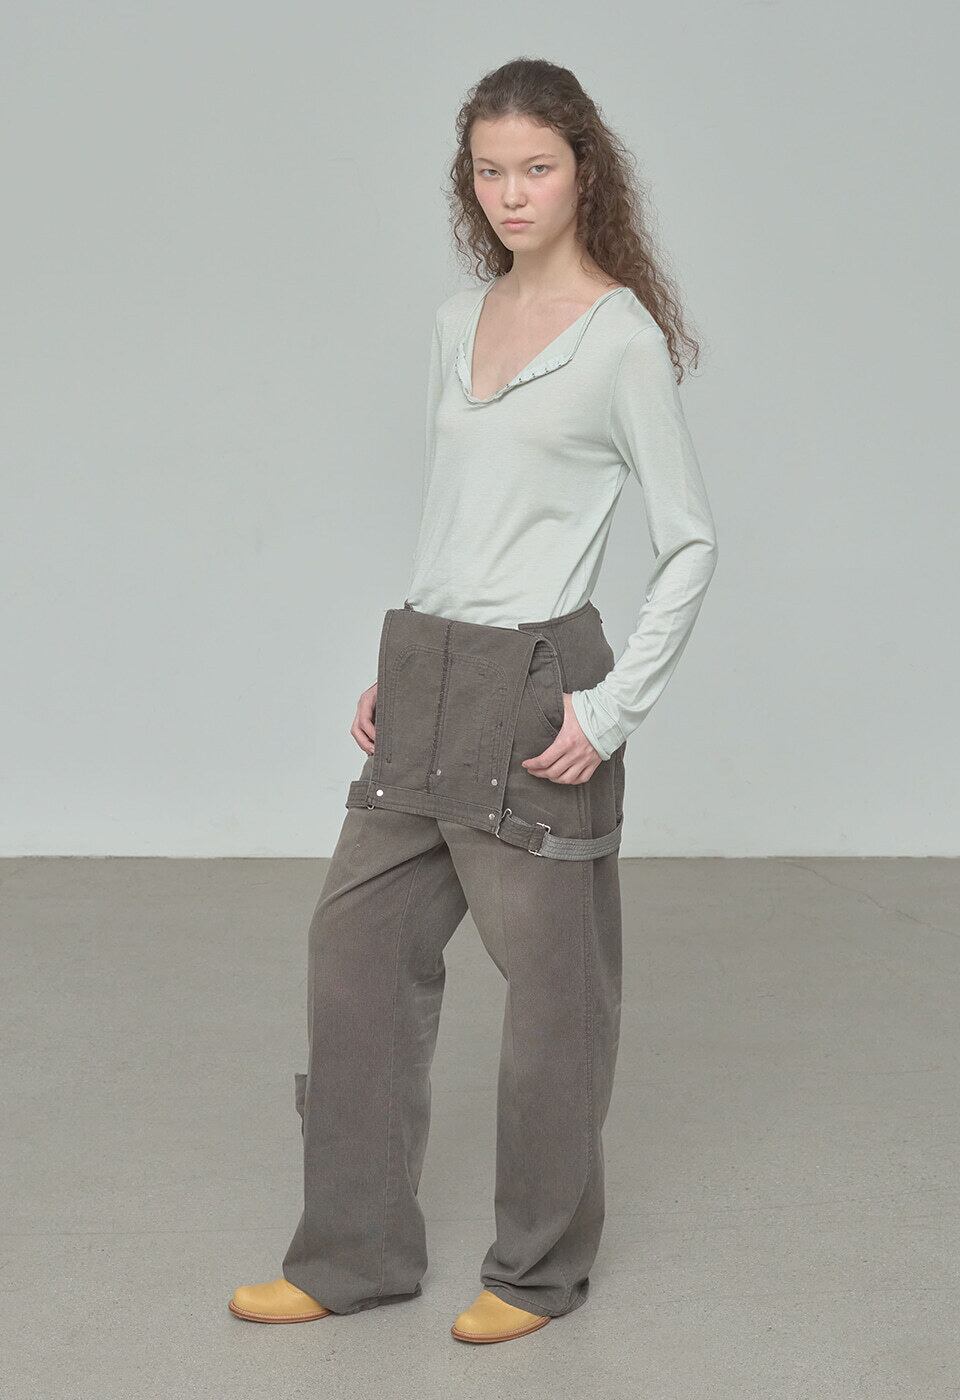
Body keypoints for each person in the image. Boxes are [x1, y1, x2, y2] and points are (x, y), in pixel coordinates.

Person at [229, 56, 718, 1343]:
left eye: (536, 168)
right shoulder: (459, 320)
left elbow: (692, 540)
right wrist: (402, 661)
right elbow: (459, 514)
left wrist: (610, 710)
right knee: (354, 949)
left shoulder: (620, 341)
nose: (512, 193)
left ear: (584, 173)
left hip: (541, 685)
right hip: (431, 668)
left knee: (556, 993)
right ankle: (353, 1254)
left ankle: (538, 1271)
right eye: (491, 170)